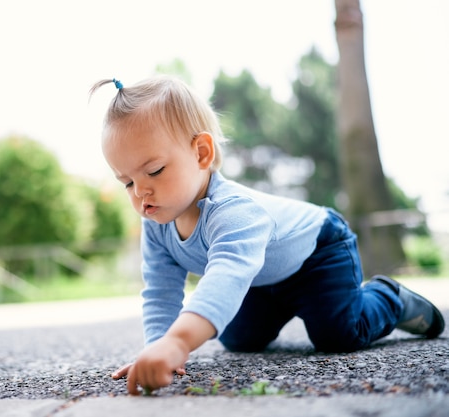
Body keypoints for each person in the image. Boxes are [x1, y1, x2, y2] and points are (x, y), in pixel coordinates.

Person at [88, 75, 445, 396]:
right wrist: (159, 347)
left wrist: (179, 342)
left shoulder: (234, 212)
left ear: (201, 153)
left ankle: (389, 297)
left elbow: (226, 277)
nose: (141, 192)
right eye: (128, 182)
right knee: (239, 339)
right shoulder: (156, 224)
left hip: (317, 253)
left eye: (155, 171)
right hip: (262, 276)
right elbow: (160, 290)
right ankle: (283, 305)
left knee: (339, 334)